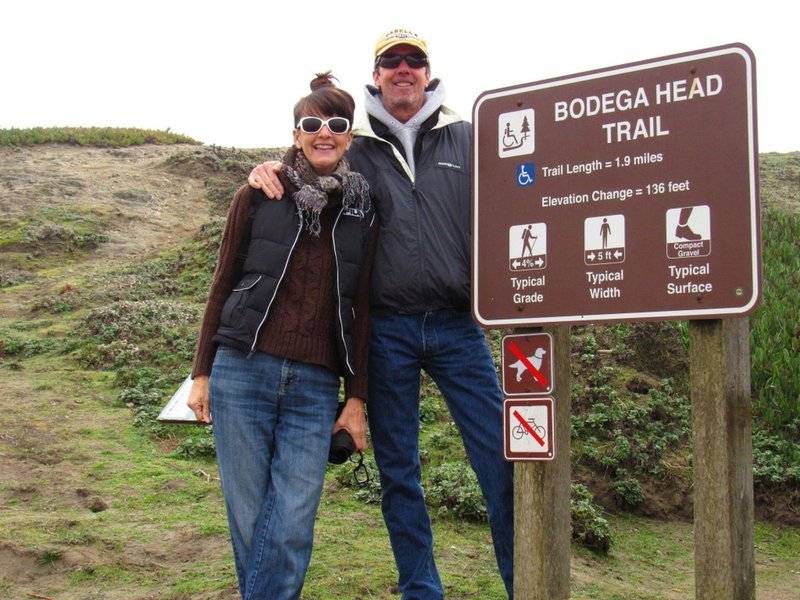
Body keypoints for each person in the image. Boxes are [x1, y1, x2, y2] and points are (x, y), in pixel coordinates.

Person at [248, 29, 514, 599]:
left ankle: (527, 582)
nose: (402, 69)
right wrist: (266, 169)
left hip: (458, 325)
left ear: (427, 72)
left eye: (413, 60)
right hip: (386, 329)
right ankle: (422, 591)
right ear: (376, 74)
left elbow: (521, 190)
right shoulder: (357, 144)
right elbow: (309, 165)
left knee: (500, 460)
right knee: (399, 473)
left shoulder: (467, 137)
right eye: (390, 61)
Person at [187, 72, 377, 600]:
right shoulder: (258, 194)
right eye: (311, 124)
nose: (324, 132)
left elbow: (362, 309)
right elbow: (223, 282)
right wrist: (201, 373)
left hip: (316, 385)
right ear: (295, 135)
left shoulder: (362, 211)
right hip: (242, 371)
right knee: (248, 517)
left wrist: (357, 397)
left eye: (336, 124)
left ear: (348, 137)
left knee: (292, 519)